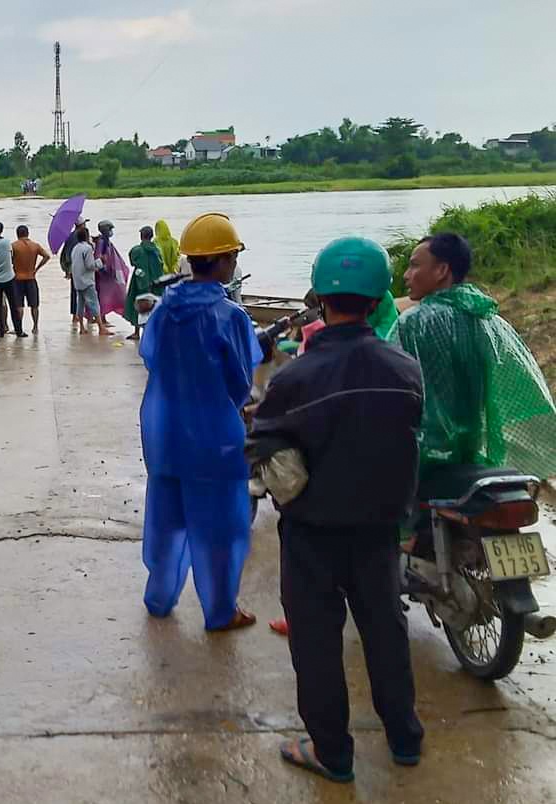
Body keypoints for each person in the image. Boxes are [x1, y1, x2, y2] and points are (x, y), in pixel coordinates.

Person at [247, 236, 425, 784]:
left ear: (321, 298)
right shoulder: (404, 369)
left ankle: (331, 751)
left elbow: (263, 444)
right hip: (377, 530)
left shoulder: (295, 378)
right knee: (386, 631)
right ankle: (404, 739)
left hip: (312, 533)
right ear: (377, 301)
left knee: (317, 639)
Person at [140, 212, 260, 631]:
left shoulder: (163, 309)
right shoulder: (231, 316)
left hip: (164, 429)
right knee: (221, 525)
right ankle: (221, 610)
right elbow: (242, 381)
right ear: (226, 261)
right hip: (213, 437)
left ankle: (159, 597)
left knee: (166, 515)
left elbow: (150, 356)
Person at [390, 232, 556, 479]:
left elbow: (389, 379)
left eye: (414, 265)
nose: (406, 275)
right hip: (473, 446)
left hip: (426, 454)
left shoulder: (413, 322)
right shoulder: (488, 320)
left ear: (441, 270)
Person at [125, 225, 165, 340]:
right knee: (153, 308)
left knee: (138, 307)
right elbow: (161, 266)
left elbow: (133, 262)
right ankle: (152, 333)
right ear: (151, 236)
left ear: (141, 236)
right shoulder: (156, 251)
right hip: (155, 284)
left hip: (139, 283)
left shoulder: (137, 250)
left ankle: (137, 332)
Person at [11, 225, 51, 334]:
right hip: (31, 277)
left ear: (17, 234)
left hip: (17, 278)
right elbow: (47, 256)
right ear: (27, 233)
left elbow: (8, 259)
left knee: (19, 305)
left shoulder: (14, 246)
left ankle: (19, 328)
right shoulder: (35, 245)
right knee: (34, 305)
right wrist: (37, 268)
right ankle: (35, 327)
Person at [70, 227, 109, 335]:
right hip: (87, 281)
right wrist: (101, 261)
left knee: (80, 304)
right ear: (87, 236)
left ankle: (82, 328)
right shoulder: (87, 248)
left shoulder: (75, 248)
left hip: (77, 281)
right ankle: (101, 328)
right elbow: (90, 265)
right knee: (94, 303)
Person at [93, 220, 130, 324]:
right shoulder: (101, 242)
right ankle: (102, 318)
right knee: (103, 296)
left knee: (110, 294)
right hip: (104, 275)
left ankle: (103, 318)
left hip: (109, 274)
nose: (111, 232)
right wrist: (103, 269)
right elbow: (98, 256)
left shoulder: (106, 241)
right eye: (110, 229)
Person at [61, 216, 90, 328]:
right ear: (81, 225)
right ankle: (78, 316)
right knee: (78, 292)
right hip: (77, 269)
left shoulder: (74, 235)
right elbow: (69, 254)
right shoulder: (75, 237)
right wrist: (69, 270)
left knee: (76, 292)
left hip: (75, 269)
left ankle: (78, 316)